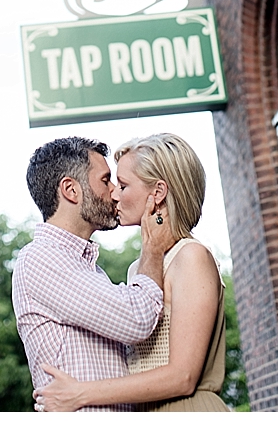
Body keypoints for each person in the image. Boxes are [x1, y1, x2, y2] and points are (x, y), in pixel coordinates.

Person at [35, 133, 232, 412]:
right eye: (112, 182)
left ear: (158, 193)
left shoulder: (191, 257)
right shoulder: (139, 270)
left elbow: (183, 377)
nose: (114, 193)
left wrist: (80, 393)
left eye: (123, 185)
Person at [13, 137, 169, 413]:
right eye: (106, 180)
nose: (115, 193)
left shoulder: (87, 269)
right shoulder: (40, 258)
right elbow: (136, 319)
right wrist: (153, 249)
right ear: (71, 190)